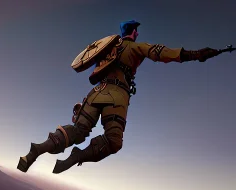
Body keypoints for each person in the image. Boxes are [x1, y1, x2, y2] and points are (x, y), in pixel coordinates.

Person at [17, 20, 223, 174]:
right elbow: (161, 53)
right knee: (114, 142)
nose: (138, 33)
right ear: (133, 33)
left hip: (94, 94)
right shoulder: (134, 47)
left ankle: (38, 149)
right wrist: (196, 54)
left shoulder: (108, 49)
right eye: (137, 31)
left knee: (78, 131)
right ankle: (77, 155)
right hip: (116, 97)